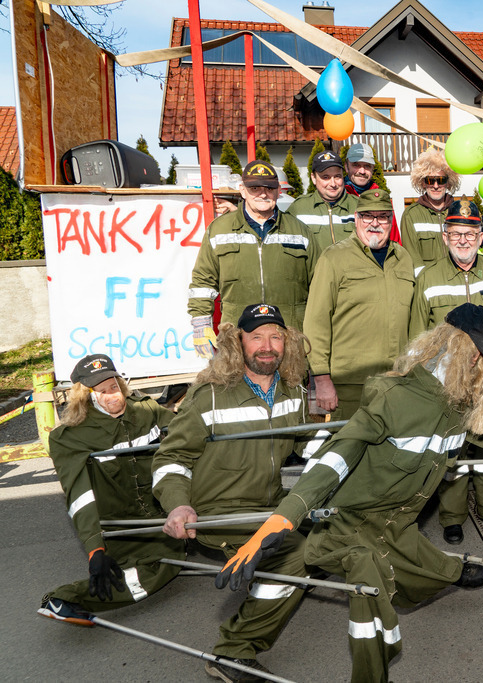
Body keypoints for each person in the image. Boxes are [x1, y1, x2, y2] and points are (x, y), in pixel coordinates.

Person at [214, 304, 483, 683]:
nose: (481, 365)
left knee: (431, 571)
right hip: (351, 525)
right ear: (455, 347)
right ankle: (344, 670)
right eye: (477, 355)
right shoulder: (396, 397)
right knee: (368, 590)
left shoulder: (457, 402)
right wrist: (284, 517)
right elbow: (336, 457)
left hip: (399, 524)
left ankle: (452, 570)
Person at [153, 303, 319, 681]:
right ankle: (232, 653)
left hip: (271, 502)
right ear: (237, 342)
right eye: (256, 336)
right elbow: (171, 457)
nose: (267, 345)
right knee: (300, 556)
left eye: (276, 336)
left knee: (331, 535)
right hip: (220, 511)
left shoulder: (292, 389)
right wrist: (178, 505)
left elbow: (306, 444)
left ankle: (267, 578)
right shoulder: (208, 396)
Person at [409, 199, 483, 542]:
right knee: (453, 447)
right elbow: (418, 333)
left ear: (480, 236)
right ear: (445, 237)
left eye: (471, 233)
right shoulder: (428, 278)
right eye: (456, 233)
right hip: (445, 377)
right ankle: (452, 517)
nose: (463, 240)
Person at [37, 354, 183, 626]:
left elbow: (186, 431)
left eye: (114, 386)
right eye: (101, 391)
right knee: (167, 562)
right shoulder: (70, 438)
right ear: (85, 396)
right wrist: (95, 550)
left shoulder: (146, 409)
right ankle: (67, 599)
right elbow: (80, 496)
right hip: (121, 523)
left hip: (161, 508)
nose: (111, 395)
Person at [188, 160, 321, 357]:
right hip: (237, 338)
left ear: (278, 191)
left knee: (290, 387)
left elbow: (320, 285)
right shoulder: (219, 230)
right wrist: (200, 322)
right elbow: (203, 281)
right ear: (242, 190)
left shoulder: (300, 231)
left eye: (269, 188)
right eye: (254, 188)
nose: (262, 193)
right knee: (238, 388)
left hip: (288, 339)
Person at [305, 188, 416, 420]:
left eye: (383, 217)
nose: (375, 223)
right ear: (356, 219)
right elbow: (317, 321)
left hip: (396, 380)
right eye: (368, 216)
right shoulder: (334, 258)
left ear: (391, 221)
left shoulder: (404, 258)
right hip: (350, 384)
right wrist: (322, 379)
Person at [400, 148, 461, 275]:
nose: (435, 185)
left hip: (458, 283)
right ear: (422, 183)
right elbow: (413, 259)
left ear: (448, 183)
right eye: (429, 180)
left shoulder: (459, 211)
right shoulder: (411, 215)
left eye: (441, 180)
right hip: (429, 285)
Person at [287, 149, 359, 252]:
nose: (333, 184)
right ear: (313, 178)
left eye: (337, 176)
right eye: (326, 177)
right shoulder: (298, 208)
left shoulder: (358, 205)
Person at [342, 143, 401, 244]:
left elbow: (394, 239)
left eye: (367, 166)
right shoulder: (339, 196)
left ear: (373, 169)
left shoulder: (381, 199)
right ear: (347, 167)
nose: (362, 171)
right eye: (356, 165)